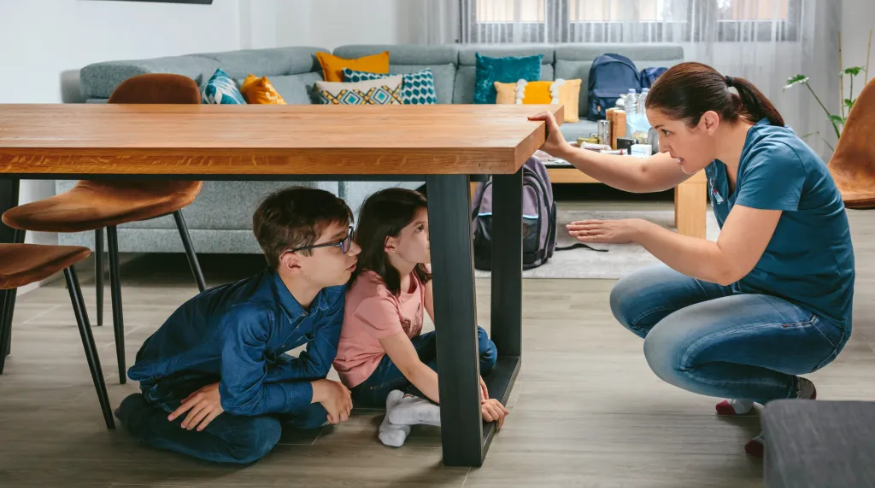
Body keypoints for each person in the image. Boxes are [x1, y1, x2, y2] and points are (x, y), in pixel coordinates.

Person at [530, 62, 855, 457]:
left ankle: (787, 393)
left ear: (708, 121)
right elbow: (643, 173)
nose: (662, 145)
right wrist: (564, 151)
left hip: (811, 318)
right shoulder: (717, 147)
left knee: (667, 350)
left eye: (666, 131)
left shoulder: (775, 159)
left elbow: (724, 265)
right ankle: (746, 376)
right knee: (632, 297)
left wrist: (641, 229)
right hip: (753, 286)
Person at [114, 187, 361, 464]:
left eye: (350, 236)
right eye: (339, 243)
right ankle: (140, 415)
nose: (356, 249)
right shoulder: (249, 314)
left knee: (316, 411)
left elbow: (313, 368)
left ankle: (247, 396)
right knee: (257, 436)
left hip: (245, 364)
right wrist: (319, 389)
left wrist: (229, 392)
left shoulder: (332, 287)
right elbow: (253, 394)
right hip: (177, 376)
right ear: (293, 263)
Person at [333, 188, 509, 447]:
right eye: (420, 228)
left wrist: (467, 373)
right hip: (371, 380)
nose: (433, 234)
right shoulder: (373, 295)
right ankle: (408, 402)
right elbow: (411, 368)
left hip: (398, 359)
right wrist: (469, 402)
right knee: (468, 353)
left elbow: (448, 327)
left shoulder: (417, 264)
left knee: (479, 343)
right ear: (390, 243)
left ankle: (408, 402)